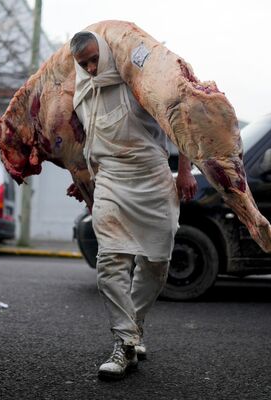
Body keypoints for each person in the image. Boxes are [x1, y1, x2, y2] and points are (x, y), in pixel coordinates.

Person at [69, 31, 197, 380]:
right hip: (110, 179)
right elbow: (84, 139)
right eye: (84, 64)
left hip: (153, 178)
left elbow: (181, 121)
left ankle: (135, 324)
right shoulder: (82, 90)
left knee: (156, 263)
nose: (92, 68)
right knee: (110, 262)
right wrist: (80, 175)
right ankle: (124, 343)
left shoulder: (137, 80)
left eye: (95, 59)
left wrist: (184, 171)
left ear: (108, 54)